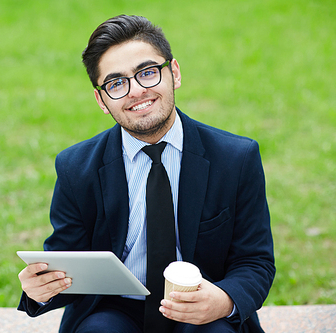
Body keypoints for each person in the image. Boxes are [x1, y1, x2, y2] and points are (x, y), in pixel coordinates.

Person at [17, 14, 275, 333]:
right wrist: (40, 291)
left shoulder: (236, 158)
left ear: (174, 73)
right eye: (116, 83)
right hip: (112, 308)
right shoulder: (75, 167)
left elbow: (255, 261)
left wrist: (223, 300)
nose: (136, 91)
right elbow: (65, 262)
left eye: (148, 72)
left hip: (202, 302)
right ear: (101, 99)